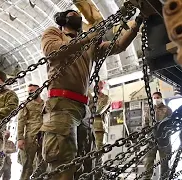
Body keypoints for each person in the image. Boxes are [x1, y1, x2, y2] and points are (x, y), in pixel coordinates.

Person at [40, 9, 142, 180]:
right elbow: (52, 51)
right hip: (61, 104)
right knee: (62, 163)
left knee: (87, 162)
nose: (78, 17)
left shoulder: (89, 44)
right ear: (63, 19)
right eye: (73, 15)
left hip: (82, 109)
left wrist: (135, 25)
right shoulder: (54, 33)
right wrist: (89, 37)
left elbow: (117, 46)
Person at [17, 84, 46, 180]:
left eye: (32, 90)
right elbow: (21, 122)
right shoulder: (26, 104)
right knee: (27, 165)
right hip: (31, 137)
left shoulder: (45, 104)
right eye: (29, 91)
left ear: (39, 91)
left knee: (42, 165)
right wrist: (20, 138)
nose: (30, 93)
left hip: (44, 136)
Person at [143, 92, 172, 180]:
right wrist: (144, 133)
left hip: (164, 139)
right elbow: (146, 123)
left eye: (157, 97)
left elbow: (171, 123)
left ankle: (164, 178)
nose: (156, 99)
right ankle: (147, 178)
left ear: (161, 98)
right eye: (154, 98)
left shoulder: (167, 110)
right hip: (151, 138)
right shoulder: (149, 110)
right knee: (148, 161)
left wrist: (166, 133)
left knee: (164, 161)